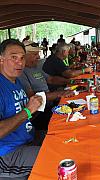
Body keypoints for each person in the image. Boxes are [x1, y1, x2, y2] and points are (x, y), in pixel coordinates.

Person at [0, 39, 43, 179]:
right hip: (8, 154)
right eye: (14, 57)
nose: (20, 62)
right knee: (59, 158)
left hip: (28, 138)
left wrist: (35, 108)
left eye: (22, 57)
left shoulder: (16, 81)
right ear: (1, 59)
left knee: (64, 138)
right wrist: (28, 111)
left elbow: (24, 115)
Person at [18, 41, 73, 130]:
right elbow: (32, 96)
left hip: (51, 105)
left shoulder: (36, 67)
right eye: (35, 54)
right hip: (39, 113)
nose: (39, 57)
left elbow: (51, 79)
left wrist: (70, 81)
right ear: (24, 56)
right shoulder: (21, 73)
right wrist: (58, 94)